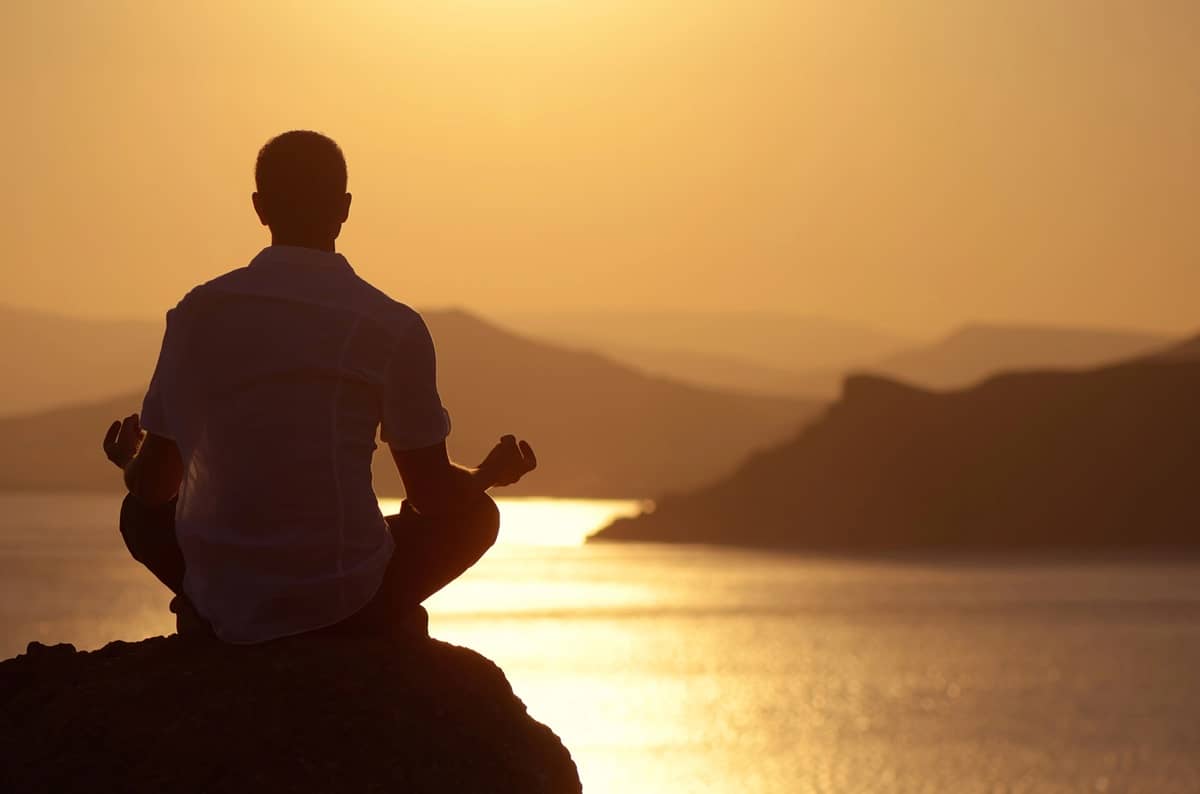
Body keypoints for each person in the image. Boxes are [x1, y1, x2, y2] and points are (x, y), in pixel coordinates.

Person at [101, 130, 536, 643]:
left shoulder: (197, 313)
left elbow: (153, 487)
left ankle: (215, 611)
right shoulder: (391, 326)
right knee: (476, 517)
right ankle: (373, 625)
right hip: (342, 599)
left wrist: (131, 458)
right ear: (345, 207)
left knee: (138, 513)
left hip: (224, 592)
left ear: (260, 208)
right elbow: (432, 494)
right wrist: (486, 474)